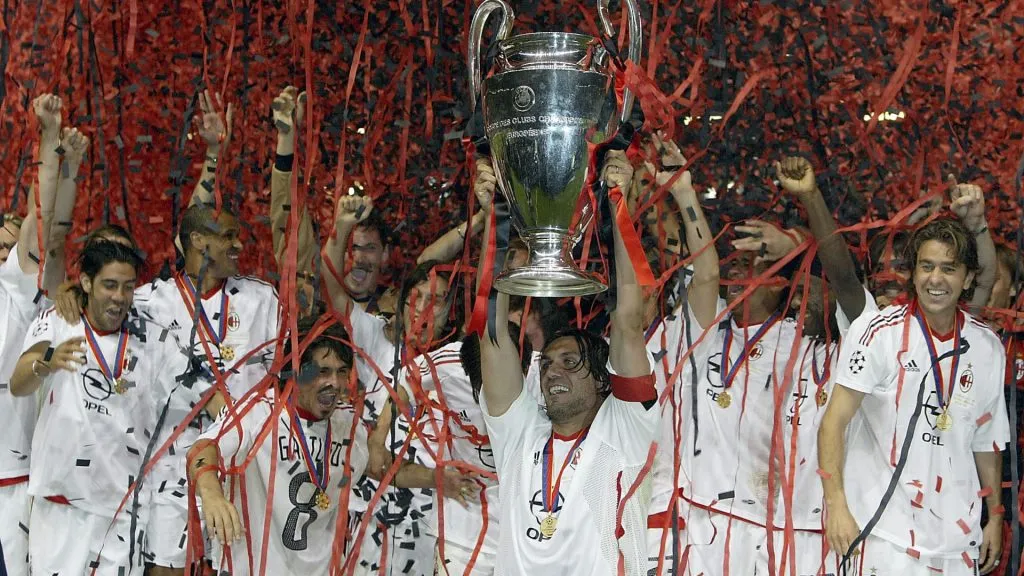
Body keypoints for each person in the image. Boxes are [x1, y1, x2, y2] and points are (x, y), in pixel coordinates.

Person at [667, 151, 871, 576]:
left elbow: (847, 283)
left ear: (784, 281)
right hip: (709, 526)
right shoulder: (707, 332)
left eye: (759, 263)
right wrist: (684, 191)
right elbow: (704, 271)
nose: (741, 273)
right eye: (736, 263)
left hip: (796, 533)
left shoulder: (817, 350)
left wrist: (801, 239)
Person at [477, 149, 659, 575]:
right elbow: (492, 336)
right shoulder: (519, 434)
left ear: (602, 381)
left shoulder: (624, 427)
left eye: (570, 361)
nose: (552, 370)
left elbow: (628, 323)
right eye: (546, 364)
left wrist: (618, 204)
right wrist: (499, 220)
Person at [819, 213, 1010, 575]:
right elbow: (833, 422)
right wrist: (837, 505)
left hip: (956, 542)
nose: (935, 279)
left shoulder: (987, 347)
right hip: (881, 536)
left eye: (949, 269)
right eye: (926, 266)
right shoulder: (877, 332)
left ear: (968, 278)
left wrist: (995, 516)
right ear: (913, 272)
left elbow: (986, 440)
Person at [9, 240, 213, 575]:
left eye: (128, 287)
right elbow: (19, 382)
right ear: (86, 283)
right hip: (62, 509)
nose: (119, 297)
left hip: (124, 512)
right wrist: (47, 362)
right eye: (109, 285)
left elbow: (205, 393)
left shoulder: (154, 341)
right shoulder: (60, 321)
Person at [187, 319, 369, 576]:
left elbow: (377, 469)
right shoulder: (259, 411)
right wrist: (211, 493)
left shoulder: (350, 426)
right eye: (323, 371)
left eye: (342, 372)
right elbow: (203, 448)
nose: (336, 383)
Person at [0, 93, 86, 576]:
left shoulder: (12, 288)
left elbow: (46, 229)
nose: (8, 255)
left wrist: (50, 141)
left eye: (8, 249)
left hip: (8, 482)